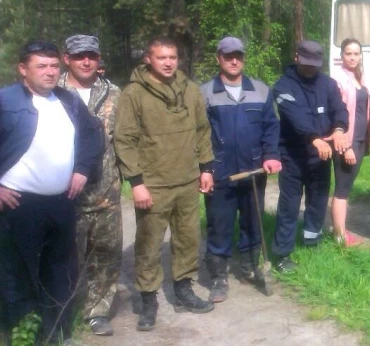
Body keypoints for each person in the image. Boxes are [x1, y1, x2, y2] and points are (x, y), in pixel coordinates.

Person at [0, 41, 103, 345]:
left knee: (59, 270)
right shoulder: (5, 101)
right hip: (19, 205)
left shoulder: (68, 101)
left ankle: (58, 332)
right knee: (17, 273)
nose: (50, 72)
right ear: (23, 69)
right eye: (41, 66)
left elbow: (92, 134)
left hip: (61, 203)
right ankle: (23, 335)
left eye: (54, 66)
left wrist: (82, 168)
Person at [115, 36, 216, 331]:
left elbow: (202, 130)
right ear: (148, 59)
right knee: (149, 245)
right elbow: (124, 139)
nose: (168, 63)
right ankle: (148, 300)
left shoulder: (190, 89)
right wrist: (136, 182)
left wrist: (206, 168)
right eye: (161, 58)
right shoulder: (134, 94)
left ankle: (184, 290)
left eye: (172, 57)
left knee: (188, 239)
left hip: (187, 180)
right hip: (154, 184)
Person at [200, 37, 281, 302]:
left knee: (253, 220)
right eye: (228, 56)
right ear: (218, 59)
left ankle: (249, 265)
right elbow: (199, 134)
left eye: (238, 56)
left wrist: (271, 155)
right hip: (219, 171)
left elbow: (271, 126)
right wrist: (205, 168)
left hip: (253, 170)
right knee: (219, 223)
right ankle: (218, 276)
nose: (234, 61)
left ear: (243, 58)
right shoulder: (204, 93)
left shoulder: (261, 90)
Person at [59, 35, 122, 336]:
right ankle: (63, 313)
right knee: (65, 256)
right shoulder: (53, 91)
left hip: (106, 190)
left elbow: (125, 138)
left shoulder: (114, 93)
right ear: (66, 59)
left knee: (107, 254)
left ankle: (98, 311)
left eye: (92, 56)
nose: (86, 61)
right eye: (79, 56)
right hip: (65, 193)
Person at [271, 41, 349, 272]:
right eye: (306, 63)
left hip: (321, 157)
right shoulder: (283, 86)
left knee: (317, 200)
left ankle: (312, 241)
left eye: (314, 64)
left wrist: (339, 129)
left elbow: (340, 109)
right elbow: (296, 118)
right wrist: (314, 138)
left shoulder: (328, 84)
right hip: (293, 156)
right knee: (289, 205)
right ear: (296, 57)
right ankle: (282, 254)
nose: (310, 68)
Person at [331, 38, 368, 247]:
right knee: (342, 189)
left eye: (356, 53)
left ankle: (340, 232)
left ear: (361, 55)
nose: (352, 57)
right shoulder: (337, 80)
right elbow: (336, 116)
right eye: (348, 53)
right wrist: (346, 147)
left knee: (347, 187)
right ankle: (339, 237)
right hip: (347, 142)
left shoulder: (359, 77)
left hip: (360, 140)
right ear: (342, 56)